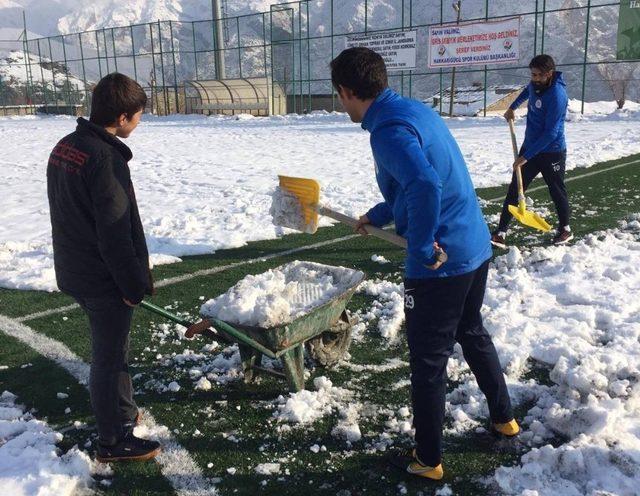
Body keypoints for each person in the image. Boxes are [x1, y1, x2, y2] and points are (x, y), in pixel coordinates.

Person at [330, 47, 519, 481]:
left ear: (346, 91)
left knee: (428, 363)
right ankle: (504, 418)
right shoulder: (410, 111)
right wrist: (380, 214)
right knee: (471, 331)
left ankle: (428, 460)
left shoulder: (388, 131)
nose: (341, 104)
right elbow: (413, 183)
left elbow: (425, 185)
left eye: (339, 96)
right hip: (473, 245)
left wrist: (421, 245)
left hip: (442, 263)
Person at [47, 73, 160, 462]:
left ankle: (124, 412)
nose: (140, 123)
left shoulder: (66, 146)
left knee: (114, 350)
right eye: (140, 116)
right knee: (109, 358)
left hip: (74, 268)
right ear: (124, 117)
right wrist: (132, 284)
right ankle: (113, 441)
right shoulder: (105, 160)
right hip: (101, 277)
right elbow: (115, 233)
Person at [492, 54, 571, 248]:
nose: (534, 78)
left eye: (538, 75)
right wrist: (512, 107)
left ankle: (565, 229)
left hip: (552, 150)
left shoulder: (557, 96)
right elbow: (527, 91)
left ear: (549, 74)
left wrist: (525, 157)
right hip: (530, 146)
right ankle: (500, 232)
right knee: (515, 188)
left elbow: (551, 133)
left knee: (556, 190)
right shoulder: (535, 85)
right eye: (532, 74)